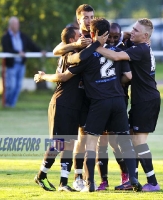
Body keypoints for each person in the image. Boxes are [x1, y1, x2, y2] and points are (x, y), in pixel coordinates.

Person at [47, 18, 142, 193]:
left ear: (92, 33)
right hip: (118, 100)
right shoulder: (119, 51)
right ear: (108, 34)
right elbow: (128, 76)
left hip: (99, 103)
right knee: (124, 141)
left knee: (91, 142)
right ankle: (133, 178)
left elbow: (73, 63)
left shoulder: (87, 56)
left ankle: (90, 183)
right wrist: (113, 84)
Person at [95, 18, 161, 192]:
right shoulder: (142, 46)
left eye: (136, 30)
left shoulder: (141, 49)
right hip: (144, 99)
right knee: (132, 139)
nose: (132, 32)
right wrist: (129, 36)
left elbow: (116, 56)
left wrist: (96, 46)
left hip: (146, 101)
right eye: (132, 28)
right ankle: (133, 180)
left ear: (145, 36)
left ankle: (153, 182)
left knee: (139, 141)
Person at [34, 26, 101, 192]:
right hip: (62, 103)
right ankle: (41, 175)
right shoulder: (74, 56)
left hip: (73, 106)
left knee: (69, 144)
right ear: (72, 40)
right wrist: (43, 77)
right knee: (58, 144)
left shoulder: (71, 53)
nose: (82, 38)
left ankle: (63, 183)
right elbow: (63, 77)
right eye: (79, 35)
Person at [53, 4, 95, 191]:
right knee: (77, 139)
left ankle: (95, 179)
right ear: (78, 19)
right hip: (76, 96)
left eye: (91, 16)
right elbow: (56, 50)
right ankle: (77, 177)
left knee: (90, 140)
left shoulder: (98, 33)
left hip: (94, 95)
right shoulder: (77, 38)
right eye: (85, 17)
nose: (89, 20)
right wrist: (76, 45)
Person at [96, 22, 131, 191]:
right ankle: (103, 180)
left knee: (115, 141)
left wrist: (116, 84)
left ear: (121, 36)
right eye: (109, 36)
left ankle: (125, 175)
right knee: (101, 141)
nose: (112, 39)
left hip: (119, 100)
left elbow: (128, 76)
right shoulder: (96, 48)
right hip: (100, 100)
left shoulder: (123, 50)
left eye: (116, 37)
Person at [1, 16, 45, 108]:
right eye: (15, 24)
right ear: (11, 25)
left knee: (18, 86)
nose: (17, 25)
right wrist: (18, 52)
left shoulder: (22, 36)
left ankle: (11, 106)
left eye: (17, 23)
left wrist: (40, 51)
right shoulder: (5, 37)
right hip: (11, 65)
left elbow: (31, 45)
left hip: (21, 64)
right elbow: (7, 49)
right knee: (11, 86)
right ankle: (7, 105)